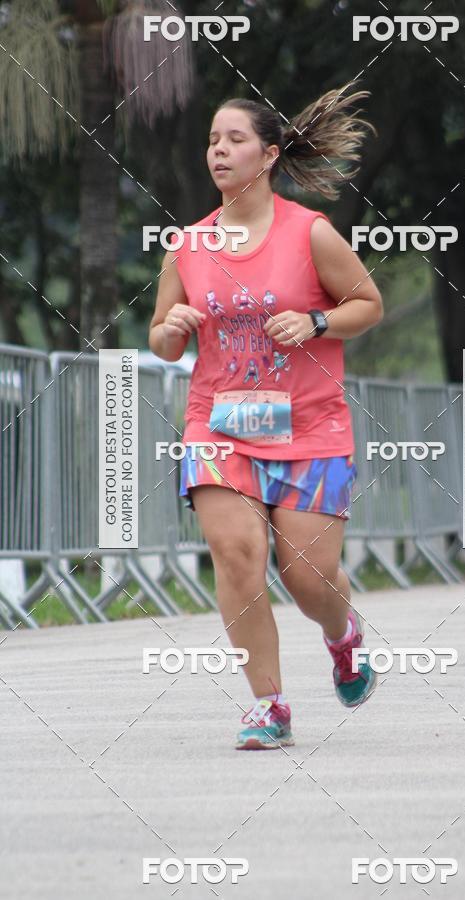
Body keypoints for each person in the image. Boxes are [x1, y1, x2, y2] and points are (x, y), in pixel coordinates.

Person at [148, 82, 384, 750]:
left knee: (307, 578)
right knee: (237, 553)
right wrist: (175, 328)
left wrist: (316, 321)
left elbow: (367, 304)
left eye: (234, 139)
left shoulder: (310, 232)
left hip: (310, 427)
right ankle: (268, 705)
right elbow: (161, 338)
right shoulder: (188, 245)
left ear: (269, 154)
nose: (218, 151)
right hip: (218, 425)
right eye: (213, 141)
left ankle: (343, 636)